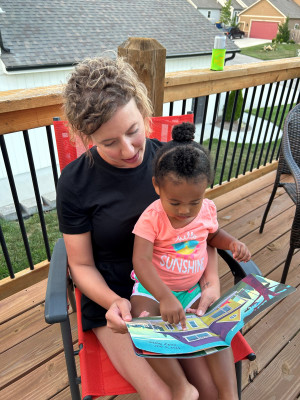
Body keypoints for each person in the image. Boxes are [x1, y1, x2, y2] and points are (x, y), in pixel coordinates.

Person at [56, 55, 246, 400]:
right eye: (109, 142)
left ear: (144, 114)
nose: (128, 149)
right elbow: (80, 265)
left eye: (133, 131)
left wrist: (211, 282)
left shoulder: (171, 165)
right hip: (118, 303)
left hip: (179, 288)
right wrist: (114, 301)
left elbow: (199, 231)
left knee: (209, 389)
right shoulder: (75, 183)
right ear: (85, 138)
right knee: (170, 394)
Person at [130, 122, 251, 400]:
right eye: (175, 203)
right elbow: (141, 261)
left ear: (205, 189)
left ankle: (229, 393)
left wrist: (231, 243)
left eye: (194, 202)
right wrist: (164, 297)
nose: (185, 210)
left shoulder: (207, 209)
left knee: (218, 328)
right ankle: (179, 386)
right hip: (153, 291)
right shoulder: (152, 217)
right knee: (144, 323)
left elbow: (213, 235)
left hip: (192, 292)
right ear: (157, 187)